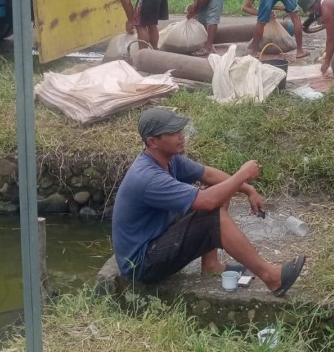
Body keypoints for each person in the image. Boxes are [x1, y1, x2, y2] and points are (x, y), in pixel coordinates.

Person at [112, 107, 306, 294]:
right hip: (141, 265)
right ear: (152, 141)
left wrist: (248, 189)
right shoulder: (147, 177)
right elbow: (207, 201)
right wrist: (243, 174)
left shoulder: (170, 159)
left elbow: (209, 175)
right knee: (212, 214)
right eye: (173, 132)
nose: (181, 135)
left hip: (158, 237)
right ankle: (272, 277)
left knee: (219, 192)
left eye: (180, 129)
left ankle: (211, 265)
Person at [241, 0, 309, 58]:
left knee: (261, 22)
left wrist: (262, 14)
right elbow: (288, 8)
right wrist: (269, 11)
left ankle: (254, 52)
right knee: (296, 18)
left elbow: (245, 7)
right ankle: (300, 51)